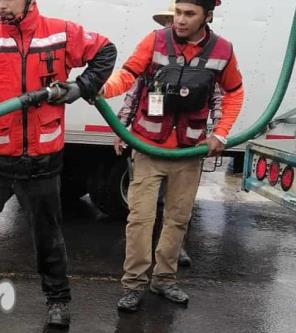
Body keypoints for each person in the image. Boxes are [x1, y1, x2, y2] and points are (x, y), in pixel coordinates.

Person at [0, 0, 116, 328]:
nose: (3, 5)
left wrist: (81, 87)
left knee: (48, 237)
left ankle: (58, 301)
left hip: (42, 160)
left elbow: (106, 50)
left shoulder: (61, 34)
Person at [102, 0, 244, 312]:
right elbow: (128, 77)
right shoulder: (154, 41)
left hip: (189, 151)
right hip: (148, 147)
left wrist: (220, 133)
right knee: (139, 219)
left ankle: (164, 279)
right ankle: (134, 284)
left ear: (207, 16)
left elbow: (233, 92)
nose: (180, 20)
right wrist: (101, 90)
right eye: (178, 12)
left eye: (189, 14)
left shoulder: (222, 51)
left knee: (178, 219)